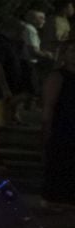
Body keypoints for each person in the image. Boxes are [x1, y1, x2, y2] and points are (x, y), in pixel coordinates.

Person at [41, 42, 75, 206]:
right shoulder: (58, 76)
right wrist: (47, 127)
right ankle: (53, 199)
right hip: (62, 126)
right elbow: (49, 104)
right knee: (59, 162)